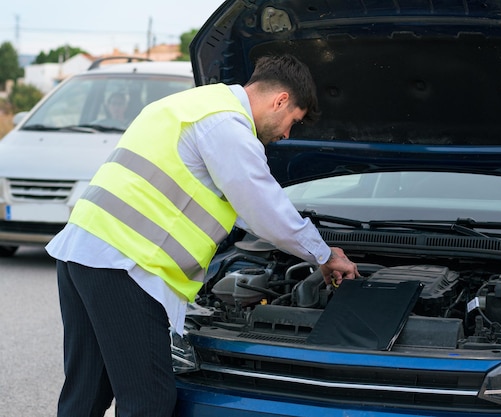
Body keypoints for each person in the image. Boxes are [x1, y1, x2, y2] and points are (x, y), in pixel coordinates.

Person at [46, 54, 359, 417]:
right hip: (124, 264)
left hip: (83, 253)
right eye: (294, 122)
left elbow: (237, 206)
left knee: (85, 394)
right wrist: (324, 255)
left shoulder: (192, 104)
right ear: (280, 100)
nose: (288, 134)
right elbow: (266, 208)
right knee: (147, 402)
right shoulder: (226, 126)